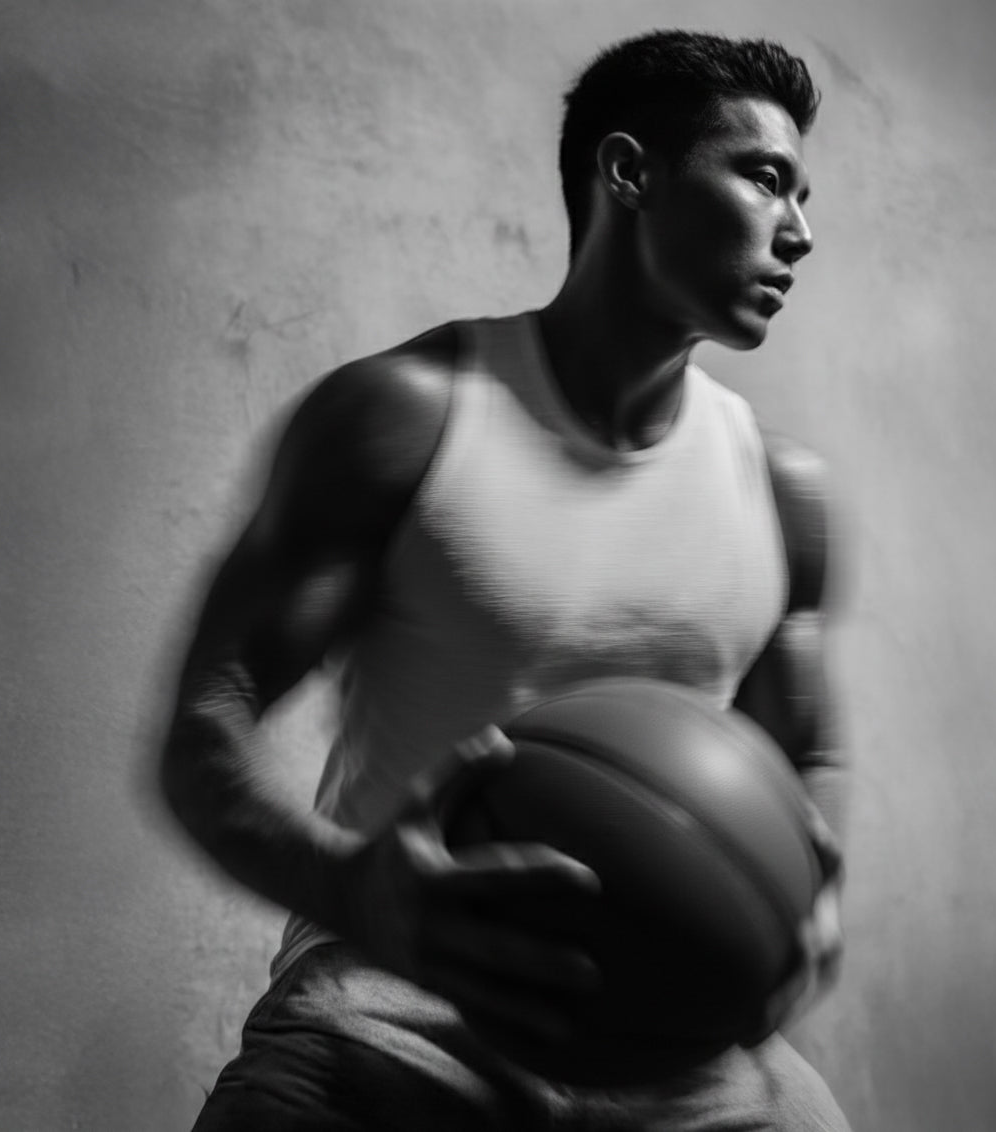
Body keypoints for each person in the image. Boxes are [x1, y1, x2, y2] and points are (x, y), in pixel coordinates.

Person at [160, 29, 851, 1131]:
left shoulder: (781, 490)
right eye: (765, 178)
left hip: (675, 1034)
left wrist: (803, 907)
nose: (800, 232)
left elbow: (801, 749)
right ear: (628, 172)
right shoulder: (404, 417)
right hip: (399, 994)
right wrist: (354, 891)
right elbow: (207, 717)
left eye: (803, 194)